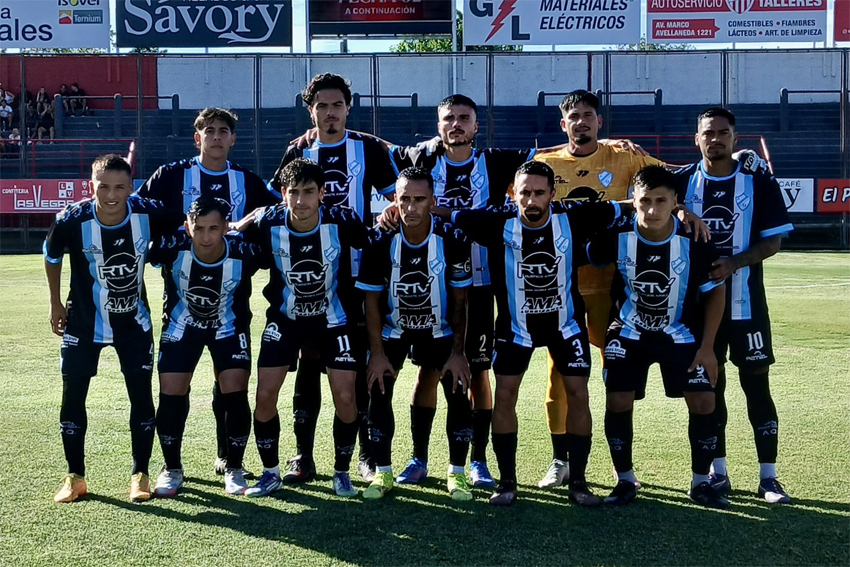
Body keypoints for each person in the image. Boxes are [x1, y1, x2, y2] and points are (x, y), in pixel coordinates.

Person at [441, 161, 630, 507]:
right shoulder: (497, 221)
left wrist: (678, 208)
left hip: (566, 326)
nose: (531, 200)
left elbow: (632, 206)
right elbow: (446, 213)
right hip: (516, 328)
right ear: (513, 194)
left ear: (552, 194)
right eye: (524, 192)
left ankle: (579, 482)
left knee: (578, 394)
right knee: (506, 395)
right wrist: (398, 208)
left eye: (539, 193)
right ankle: (508, 482)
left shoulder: (573, 217)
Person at [268, 73, 396, 486]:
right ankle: (302, 456)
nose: (329, 113)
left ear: (347, 108)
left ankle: (363, 454)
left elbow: (399, 195)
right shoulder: (298, 150)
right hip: (309, 278)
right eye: (321, 106)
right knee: (308, 363)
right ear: (311, 111)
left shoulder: (369, 149)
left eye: (336, 105)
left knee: (353, 365)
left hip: (358, 279)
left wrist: (384, 218)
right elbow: (279, 204)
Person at [137, 107, 277, 478]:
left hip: (232, 305)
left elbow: (278, 212)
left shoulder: (247, 181)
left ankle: (229, 461)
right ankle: (172, 468)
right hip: (182, 304)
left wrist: (246, 223)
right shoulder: (170, 175)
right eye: (209, 131)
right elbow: (137, 210)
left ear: (233, 139)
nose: (216, 137)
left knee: (231, 383)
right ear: (197, 138)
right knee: (173, 386)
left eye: (223, 131)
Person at [586, 165, 728, 509]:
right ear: (633, 200)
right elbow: (591, 254)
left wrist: (708, 347)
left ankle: (700, 482)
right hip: (629, 331)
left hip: (679, 332)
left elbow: (715, 292)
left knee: (704, 401)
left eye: (661, 201)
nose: (651, 210)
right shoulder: (617, 234)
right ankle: (624, 480)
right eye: (644, 200)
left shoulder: (695, 239)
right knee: (617, 400)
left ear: (676, 202)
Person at [674, 108, 794, 504]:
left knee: (757, 386)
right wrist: (678, 208)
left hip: (747, 307)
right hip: (699, 310)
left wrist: (734, 263)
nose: (716, 139)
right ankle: (718, 471)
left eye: (723, 133)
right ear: (697, 139)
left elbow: (773, 242)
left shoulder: (758, 181)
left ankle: (769, 478)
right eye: (708, 133)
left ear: (735, 138)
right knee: (711, 388)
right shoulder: (682, 182)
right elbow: (644, 193)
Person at [43, 154, 176, 503]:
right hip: (83, 324)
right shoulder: (72, 219)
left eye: (119, 187)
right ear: (92, 186)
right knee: (73, 396)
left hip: (134, 324)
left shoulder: (149, 212)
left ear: (131, 187)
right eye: (103, 186)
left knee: (141, 396)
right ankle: (75, 477)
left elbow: (186, 233)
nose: (111, 194)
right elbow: (51, 254)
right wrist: (56, 303)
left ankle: (140, 474)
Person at [243, 158, 372, 498]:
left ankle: (341, 472)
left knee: (346, 396)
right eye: (294, 193)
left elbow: (375, 246)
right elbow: (236, 231)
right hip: (286, 320)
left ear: (322, 194)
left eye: (309, 192)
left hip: (335, 321)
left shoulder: (342, 220)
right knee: (265, 394)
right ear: (282, 194)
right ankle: (271, 472)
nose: (300, 201)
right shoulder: (269, 221)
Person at [356, 167, 474, 501]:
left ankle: (457, 473)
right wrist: (377, 354)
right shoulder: (378, 240)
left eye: (419, 200)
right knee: (377, 387)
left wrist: (457, 353)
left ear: (433, 202)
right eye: (404, 199)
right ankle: (383, 473)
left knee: (457, 386)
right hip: (394, 330)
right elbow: (371, 300)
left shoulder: (452, 239)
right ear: (394, 199)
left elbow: (462, 301)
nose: (410, 207)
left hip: (439, 329)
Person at [150, 196, 265, 498]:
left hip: (228, 327)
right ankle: (172, 468)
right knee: (171, 391)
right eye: (198, 228)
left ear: (227, 227)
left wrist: (257, 215)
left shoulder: (244, 251)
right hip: (181, 326)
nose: (205, 236)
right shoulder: (171, 246)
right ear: (188, 226)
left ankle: (233, 467)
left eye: (213, 228)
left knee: (235, 389)